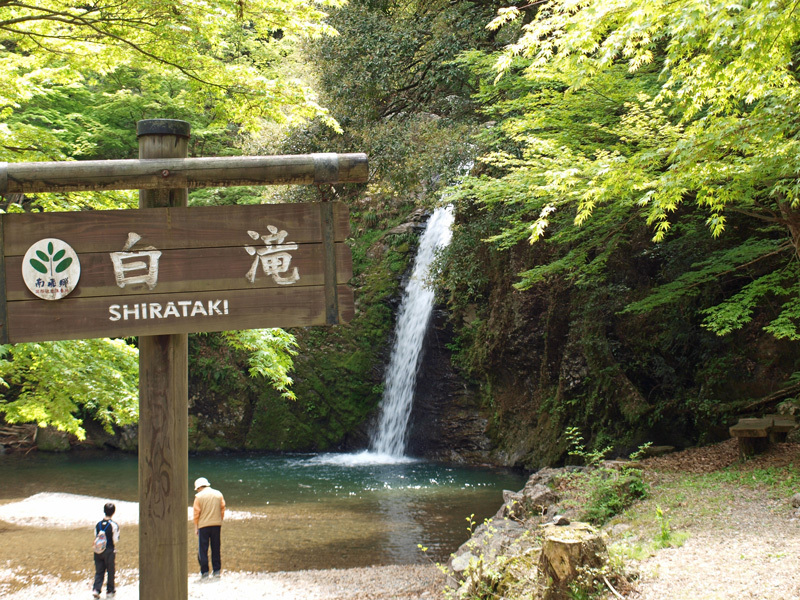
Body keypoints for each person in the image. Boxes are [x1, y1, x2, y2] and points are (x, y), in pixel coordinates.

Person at [193, 476, 226, 579]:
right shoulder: (218, 494)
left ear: (199, 488)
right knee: (216, 547)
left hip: (203, 526)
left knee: (203, 549)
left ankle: (205, 572)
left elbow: (196, 513)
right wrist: (220, 520)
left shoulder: (198, 497)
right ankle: (216, 571)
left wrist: (196, 527)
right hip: (216, 525)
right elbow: (222, 509)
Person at [92, 502, 119, 598]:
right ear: (113, 512)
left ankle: (96, 590)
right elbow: (116, 539)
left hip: (98, 551)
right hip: (109, 551)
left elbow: (96, 536)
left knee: (99, 571)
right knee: (110, 571)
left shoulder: (98, 524)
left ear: (104, 511)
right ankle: (110, 591)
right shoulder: (114, 525)